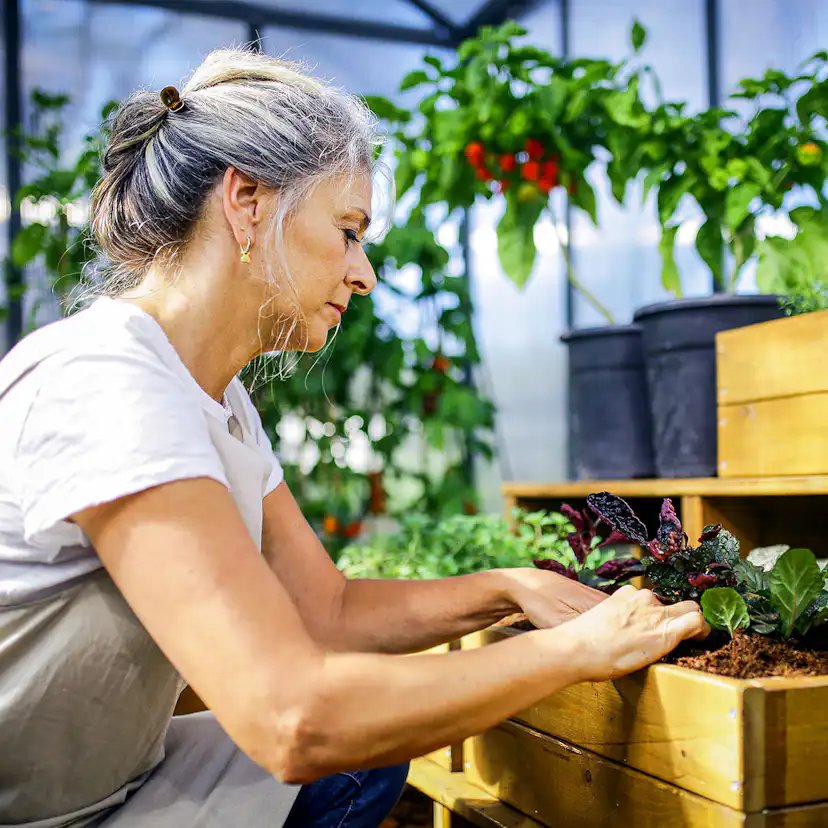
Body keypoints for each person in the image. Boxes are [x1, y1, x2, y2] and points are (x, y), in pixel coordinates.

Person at [0, 48, 709, 828]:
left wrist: (508, 587)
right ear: (246, 202)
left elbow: (326, 610)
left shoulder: (219, 402)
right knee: (335, 738)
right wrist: (572, 653)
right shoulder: (107, 380)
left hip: (107, 786)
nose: (364, 273)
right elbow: (290, 719)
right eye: (347, 231)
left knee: (365, 756)